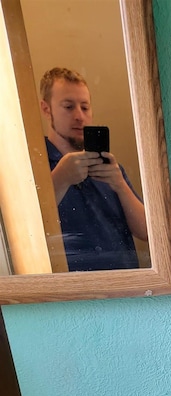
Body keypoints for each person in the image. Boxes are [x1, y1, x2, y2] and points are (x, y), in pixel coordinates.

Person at [39, 67, 147, 272]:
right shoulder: (35, 167)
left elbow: (148, 233)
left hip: (128, 291)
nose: (79, 116)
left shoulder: (109, 168)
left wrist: (120, 186)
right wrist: (61, 179)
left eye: (85, 107)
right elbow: (25, 233)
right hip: (73, 295)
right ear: (46, 109)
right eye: (68, 106)